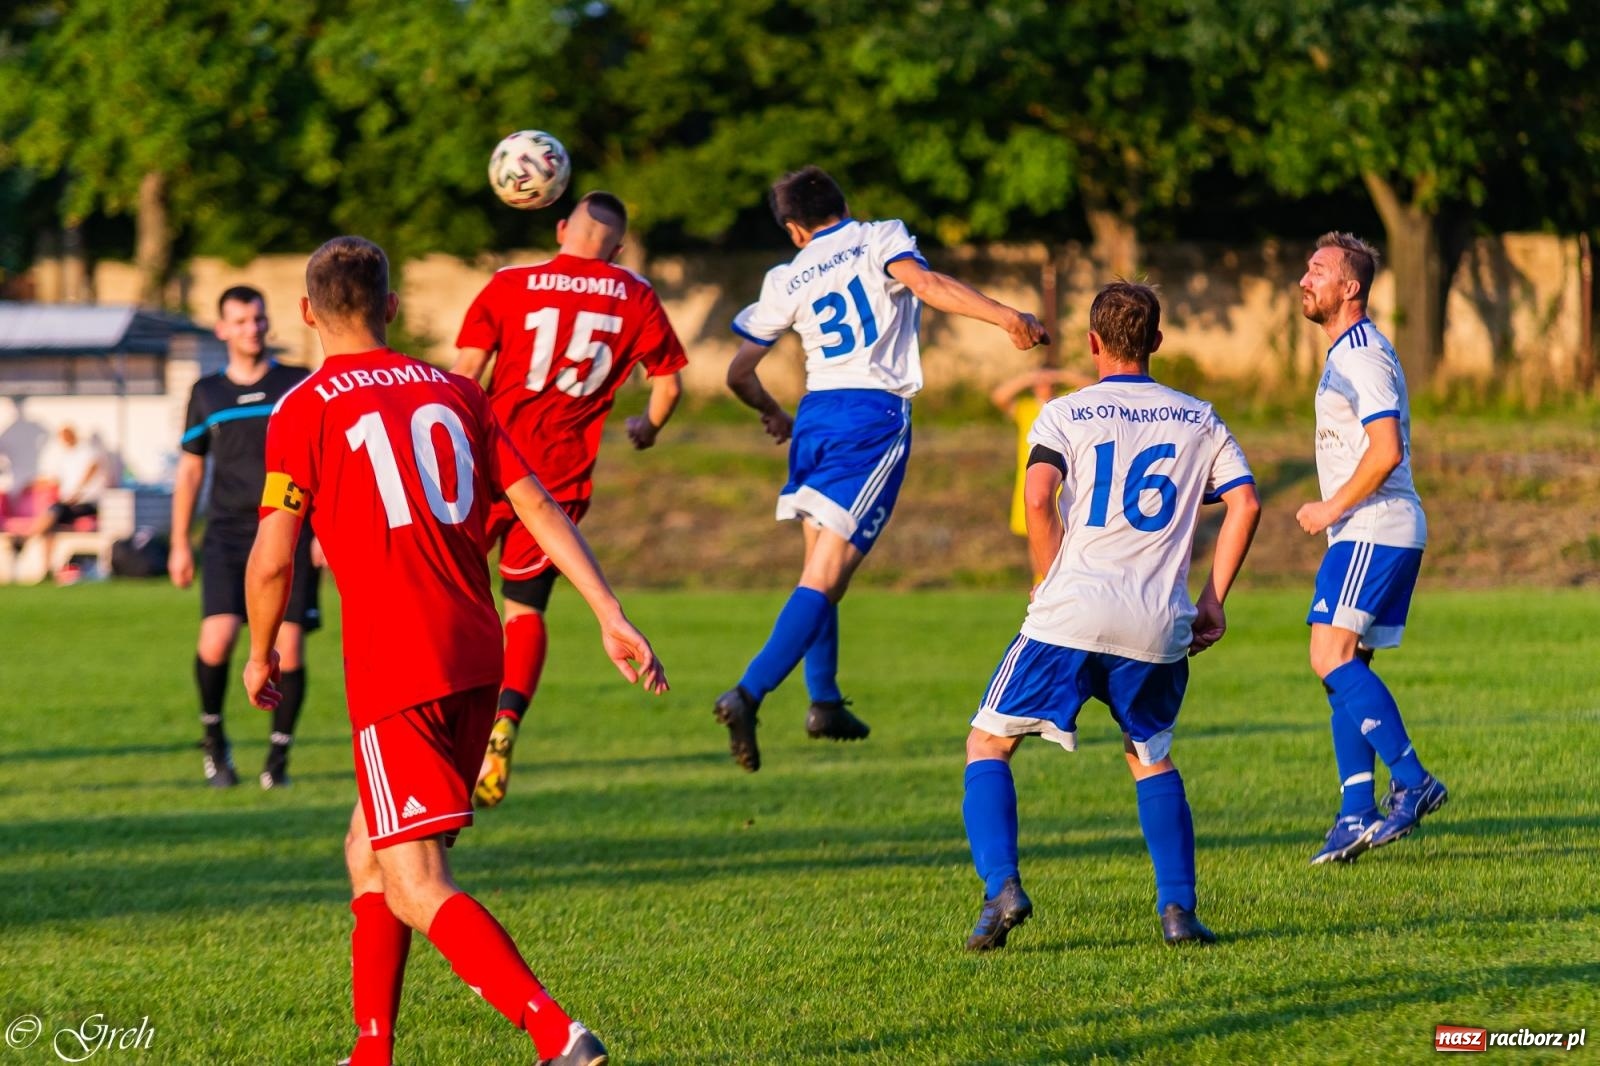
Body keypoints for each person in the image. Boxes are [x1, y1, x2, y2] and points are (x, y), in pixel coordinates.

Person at [244, 236, 665, 1066]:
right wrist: (608, 611)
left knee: (414, 880)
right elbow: (537, 504)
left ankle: (558, 1036)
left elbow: (270, 558)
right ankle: (371, 1054)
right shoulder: (454, 390)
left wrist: (262, 653)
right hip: (479, 651)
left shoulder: (302, 407)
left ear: (305, 314)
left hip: (396, 662)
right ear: (392, 310)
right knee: (369, 849)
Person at [716, 165, 1049, 771]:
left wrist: (773, 413)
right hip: (870, 417)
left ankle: (823, 700)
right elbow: (925, 285)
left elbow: (738, 372)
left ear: (795, 230)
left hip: (814, 417)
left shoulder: (786, 275)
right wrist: (1006, 316)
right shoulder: (878, 237)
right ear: (843, 203)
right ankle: (748, 692)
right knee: (826, 575)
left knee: (819, 566)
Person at [960, 282, 1260, 950]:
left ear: (1092, 343)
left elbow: (1039, 498)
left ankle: (1003, 887)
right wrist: (1212, 599)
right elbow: (1246, 504)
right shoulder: (1200, 418)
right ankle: (1178, 912)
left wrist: (1046, 579)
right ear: (1156, 341)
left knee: (989, 743)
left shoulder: (1064, 414)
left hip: (1069, 613)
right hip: (1155, 622)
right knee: (1150, 757)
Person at [451, 190, 687, 808]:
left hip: (487, 460)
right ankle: (505, 723)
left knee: (456, 593)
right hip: (558, 476)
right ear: (621, 247)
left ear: (560, 227)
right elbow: (668, 385)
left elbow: (464, 373)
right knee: (524, 609)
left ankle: (454, 721)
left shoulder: (511, 282)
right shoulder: (635, 295)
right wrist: (648, 427)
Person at [1295, 232, 1447, 865]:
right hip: (1372, 529)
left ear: (1349, 287)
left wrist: (1331, 507)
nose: (1305, 279)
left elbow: (1386, 451)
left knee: (1327, 655)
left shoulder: (1362, 355)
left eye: (1319, 270)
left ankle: (1413, 782)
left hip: (1373, 527)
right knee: (1345, 670)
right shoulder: (1347, 353)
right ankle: (1355, 811)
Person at [169, 286, 321, 789]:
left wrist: (323, 530)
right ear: (222, 330)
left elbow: (324, 460)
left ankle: (277, 762)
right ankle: (214, 743)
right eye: (239, 321)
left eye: (257, 318)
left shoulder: (296, 382)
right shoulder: (206, 392)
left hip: (290, 530)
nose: (251, 328)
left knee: (290, 648)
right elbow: (191, 473)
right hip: (227, 534)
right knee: (217, 639)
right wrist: (177, 543)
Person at [991, 366, 1093, 571]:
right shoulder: (1027, 408)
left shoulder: (1065, 406)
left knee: (1067, 539)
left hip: (1064, 484)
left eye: (1048, 382)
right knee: (1036, 537)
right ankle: (1041, 584)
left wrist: (1061, 374)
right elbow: (999, 396)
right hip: (1030, 482)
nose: (1044, 385)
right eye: (1040, 382)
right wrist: (1029, 378)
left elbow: (1093, 388)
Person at [19, 425, 108, 578]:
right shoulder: (65, 457)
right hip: (68, 504)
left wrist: (79, 491)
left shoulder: (87, 451)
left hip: (87, 503)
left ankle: (25, 539)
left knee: (55, 510)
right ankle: (46, 568)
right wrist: (31, 484)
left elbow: (92, 468)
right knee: (50, 526)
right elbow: (55, 479)